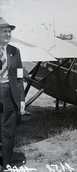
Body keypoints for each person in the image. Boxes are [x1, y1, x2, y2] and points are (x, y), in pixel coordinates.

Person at [0, 17, 25, 171]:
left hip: (9, 94)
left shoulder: (15, 52)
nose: (8, 34)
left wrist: (21, 98)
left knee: (8, 131)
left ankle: (6, 164)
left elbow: (20, 76)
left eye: (9, 32)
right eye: (5, 31)